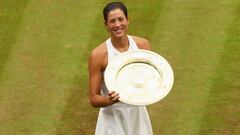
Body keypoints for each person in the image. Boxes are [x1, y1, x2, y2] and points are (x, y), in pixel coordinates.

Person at [88, 2, 153, 135]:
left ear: (128, 20)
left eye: (121, 19)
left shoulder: (143, 45)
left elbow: (150, 78)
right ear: (106, 25)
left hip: (138, 115)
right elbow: (94, 99)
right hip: (112, 119)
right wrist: (108, 100)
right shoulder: (98, 55)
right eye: (112, 21)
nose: (117, 25)